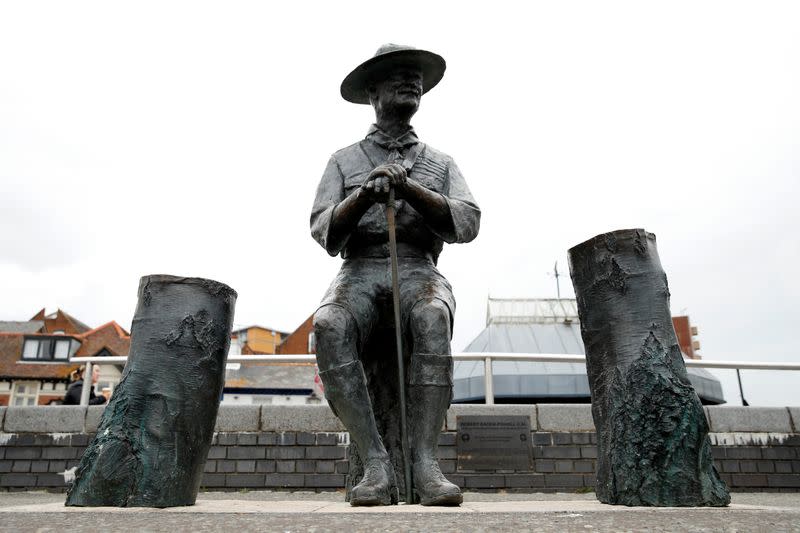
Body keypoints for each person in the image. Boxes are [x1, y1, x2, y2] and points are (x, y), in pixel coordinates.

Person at [310, 44, 480, 506]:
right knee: (328, 325)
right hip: (359, 268)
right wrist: (363, 196)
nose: (412, 82)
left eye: (416, 77)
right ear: (372, 91)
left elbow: (467, 222)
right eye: (398, 76)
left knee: (431, 317)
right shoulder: (343, 161)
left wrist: (411, 188)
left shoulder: (440, 162)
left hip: (417, 266)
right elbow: (323, 230)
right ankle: (376, 462)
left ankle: (425, 463)